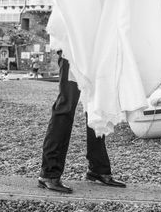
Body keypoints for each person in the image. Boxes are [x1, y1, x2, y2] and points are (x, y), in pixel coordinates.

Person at [38, 49, 125, 194]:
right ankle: (49, 173)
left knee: (96, 106)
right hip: (73, 48)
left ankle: (98, 168)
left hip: (96, 51)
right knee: (66, 105)